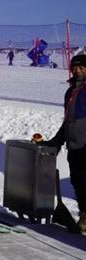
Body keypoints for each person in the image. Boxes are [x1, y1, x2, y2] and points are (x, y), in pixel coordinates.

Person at [39, 53, 86, 233]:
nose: (77, 70)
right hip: (74, 145)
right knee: (78, 182)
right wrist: (57, 141)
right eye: (75, 67)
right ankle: (84, 215)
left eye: (81, 67)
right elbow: (68, 120)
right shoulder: (70, 91)